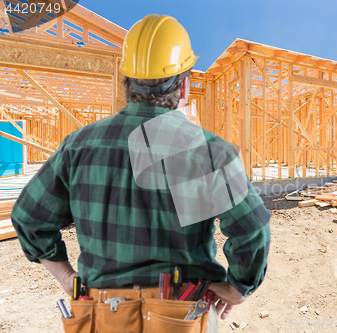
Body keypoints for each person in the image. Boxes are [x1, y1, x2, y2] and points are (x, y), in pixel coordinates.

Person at [11, 14, 271, 333]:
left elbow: (29, 218)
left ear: (127, 84)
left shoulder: (78, 146)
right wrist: (236, 287)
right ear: (185, 86)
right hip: (183, 314)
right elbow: (252, 229)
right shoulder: (208, 151)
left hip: (102, 314)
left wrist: (66, 277)